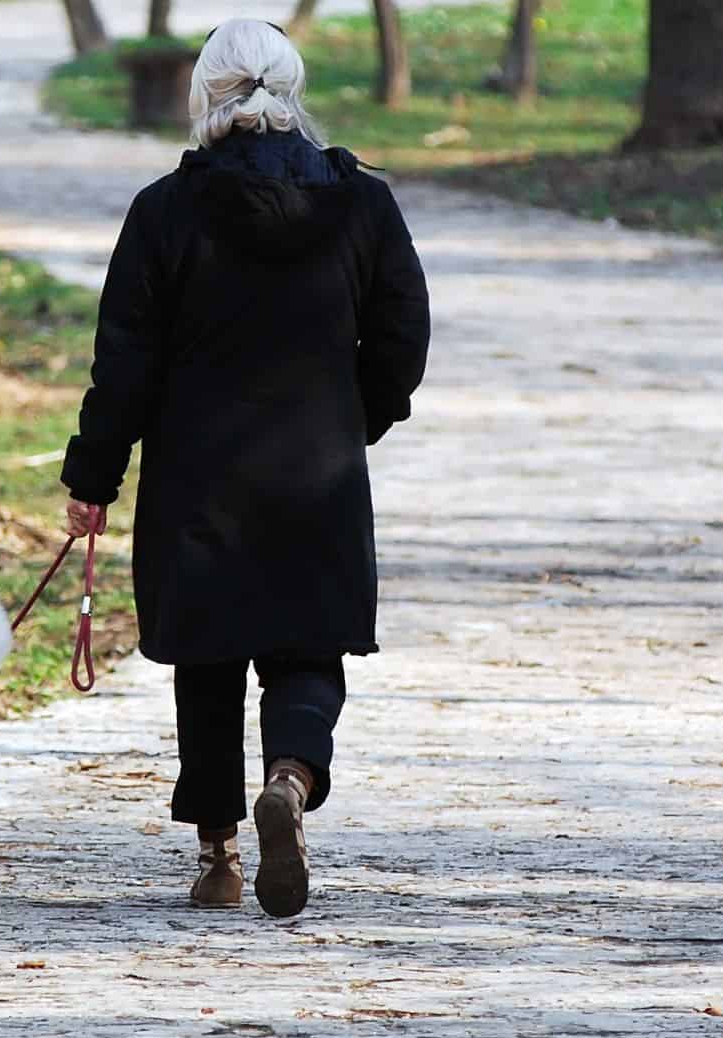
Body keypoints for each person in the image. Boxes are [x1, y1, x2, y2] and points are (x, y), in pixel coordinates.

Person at [60, 18, 430, 917]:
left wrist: (93, 477)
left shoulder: (165, 211)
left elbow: (126, 361)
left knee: (211, 662)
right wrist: (358, 417)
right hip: (319, 473)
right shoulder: (362, 203)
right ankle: (293, 781)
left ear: (206, 96)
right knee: (308, 651)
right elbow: (402, 336)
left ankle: (220, 855)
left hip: (198, 475)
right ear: (293, 90)